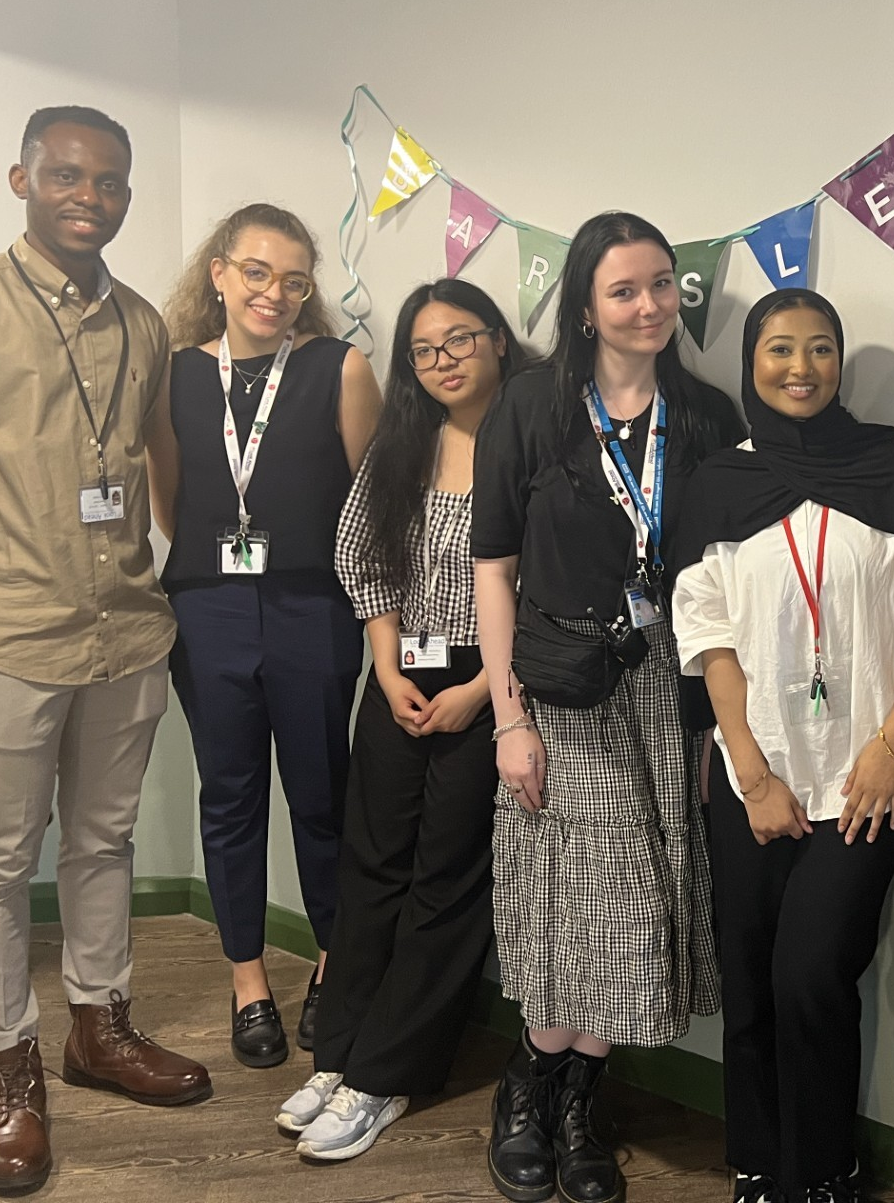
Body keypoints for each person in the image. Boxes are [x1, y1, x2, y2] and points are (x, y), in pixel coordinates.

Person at [0, 105, 211, 1197]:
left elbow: (138, 462)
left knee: (101, 845)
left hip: (124, 631)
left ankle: (98, 1029)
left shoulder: (144, 323)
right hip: (6, 639)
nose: (90, 198)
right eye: (67, 176)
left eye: (110, 182)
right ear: (21, 177)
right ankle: (6, 1065)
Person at [474, 211, 743, 1203]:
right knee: (585, 891)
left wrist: (721, 718)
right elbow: (492, 566)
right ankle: (528, 1087)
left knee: (629, 909)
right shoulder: (531, 409)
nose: (649, 306)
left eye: (664, 285)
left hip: (666, 679)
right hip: (561, 683)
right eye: (625, 289)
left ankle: (578, 1100)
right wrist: (509, 717)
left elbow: (724, 577)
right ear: (585, 303)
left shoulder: (707, 416)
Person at [670, 288, 894, 1203]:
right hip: (755, 777)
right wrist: (750, 772)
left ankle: (822, 1170)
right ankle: (757, 1162)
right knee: (752, 981)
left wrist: (893, 747)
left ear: (841, 360)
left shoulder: (893, 467)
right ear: (750, 362)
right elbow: (705, 633)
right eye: (780, 349)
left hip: (867, 778)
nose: (800, 367)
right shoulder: (719, 481)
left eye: (820, 348)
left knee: (811, 975)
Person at [275, 278, 525, 1161]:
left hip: (491, 678)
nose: (442, 361)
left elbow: (552, 578)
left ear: (498, 339)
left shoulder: (532, 440)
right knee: (370, 863)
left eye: (459, 340)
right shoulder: (405, 443)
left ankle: (386, 1075)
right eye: (423, 350)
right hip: (402, 667)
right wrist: (384, 663)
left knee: (444, 881)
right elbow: (360, 547)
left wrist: (487, 688)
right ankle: (338, 1056)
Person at [147, 203, 379, 1070]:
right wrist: (219, 572)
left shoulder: (337, 367)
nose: (273, 294)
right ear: (219, 274)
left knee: (323, 798)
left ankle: (332, 964)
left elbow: (372, 503)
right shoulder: (172, 375)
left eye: (293, 280)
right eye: (256, 273)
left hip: (312, 607)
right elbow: (171, 501)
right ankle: (248, 981)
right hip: (206, 610)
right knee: (231, 798)